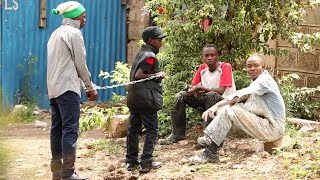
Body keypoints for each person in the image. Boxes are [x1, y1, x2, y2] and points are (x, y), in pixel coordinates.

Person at [190, 55, 286, 163]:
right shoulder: (257, 82)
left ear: (263, 68)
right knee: (227, 108)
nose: (252, 69)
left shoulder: (264, 80)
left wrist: (216, 106)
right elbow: (242, 97)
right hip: (265, 124)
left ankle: (211, 152)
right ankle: (213, 142)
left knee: (230, 111)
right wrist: (219, 106)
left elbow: (243, 93)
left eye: (256, 66)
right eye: (249, 66)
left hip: (273, 128)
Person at [47, 1, 98, 180]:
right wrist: (89, 87)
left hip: (54, 89)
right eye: (83, 16)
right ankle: (68, 174)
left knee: (57, 129)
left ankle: (57, 172)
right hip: (68, 88)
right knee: (70, 130)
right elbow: (80, 63)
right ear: (75, 17)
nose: (85, 19)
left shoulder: (55, 34)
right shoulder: (74, 33)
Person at [161, 44, 236, 144]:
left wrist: (201, 88)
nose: (209, 58)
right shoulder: (202, 68)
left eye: (212, 55)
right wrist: (192, 90)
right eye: (206, 55)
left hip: (224, 102)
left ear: (217, 56)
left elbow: (221, 91)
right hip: (208, 101)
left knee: (211, 95)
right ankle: (177, 134)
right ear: (203, 57)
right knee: (181, 96)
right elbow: (193, 86)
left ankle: (208, 135)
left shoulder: (225, 67)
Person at [125, 26, 166, 173]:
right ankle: (146, 161)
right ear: (151, 40)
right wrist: (157, 75)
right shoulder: (149, 56)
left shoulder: (141, 53)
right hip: (146, 99)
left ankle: (131, 161)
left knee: (133, 130)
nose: (161, 42)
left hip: (134, 98)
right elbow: (139, 75)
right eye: (159, 40)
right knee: (152, 130)